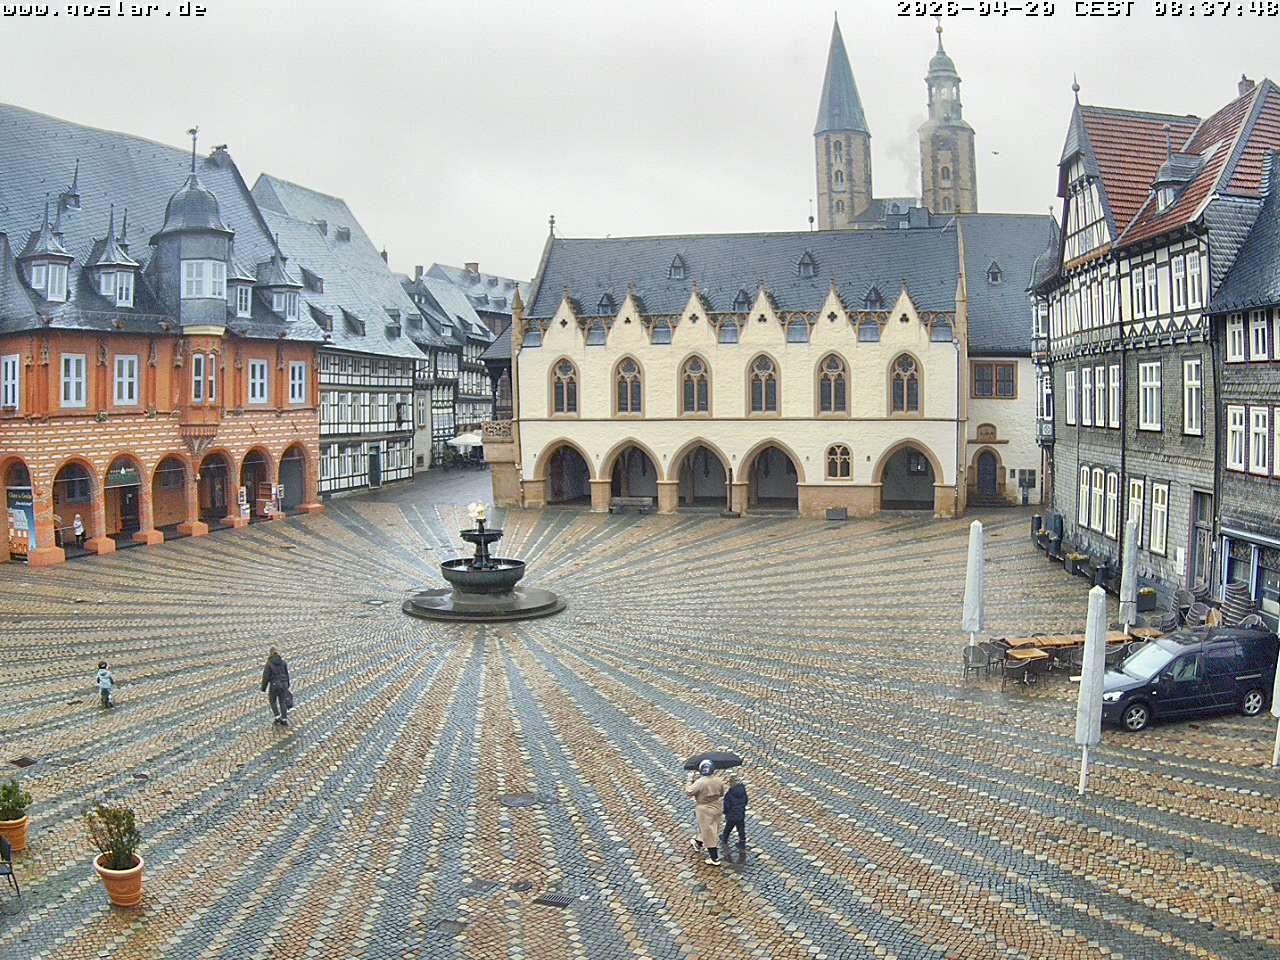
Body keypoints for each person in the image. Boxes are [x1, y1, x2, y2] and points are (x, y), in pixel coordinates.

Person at [685, 759, 726, 866]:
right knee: (712, 828)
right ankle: (698, 843)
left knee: (709, 832)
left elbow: (689, 792)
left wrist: (689, 780)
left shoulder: (700, 782)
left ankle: (714, 858)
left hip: (704, 809)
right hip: (717, 806)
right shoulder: (719, 780)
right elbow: (722, 793)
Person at [260, 647, 291, 726]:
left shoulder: (269, 663)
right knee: (282, 701)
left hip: (274, 685)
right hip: (284, 684)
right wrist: (287, 684)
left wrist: (263, 688)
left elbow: (266, 676)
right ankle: (284, 719)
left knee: (272, 701)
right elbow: (287, 674)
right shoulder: (283, 662)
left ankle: (277, 717)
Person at [721, 775, 749, 849]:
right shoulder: (743, 791)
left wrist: (725, 812)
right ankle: (742, 842)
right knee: (741, 828)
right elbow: (746, 801)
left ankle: (724, 839)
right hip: (740, 814)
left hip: (732, 815)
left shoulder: (729, 794)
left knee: (728, 827)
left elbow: (726, 806)